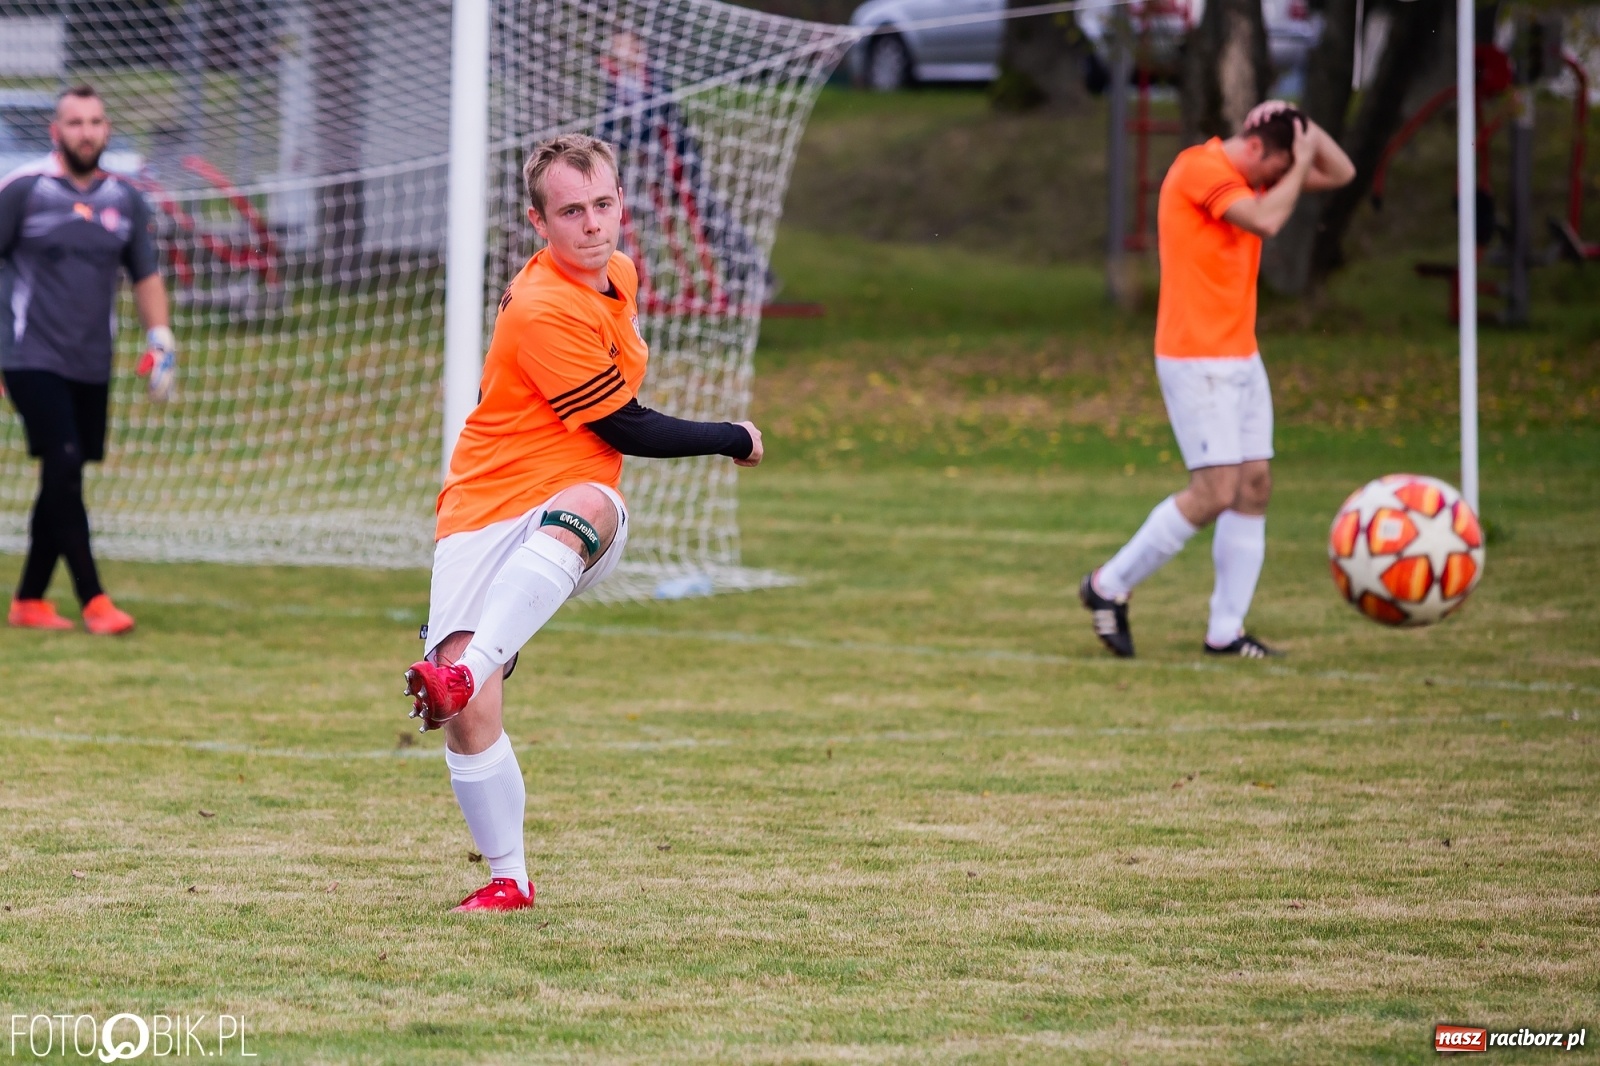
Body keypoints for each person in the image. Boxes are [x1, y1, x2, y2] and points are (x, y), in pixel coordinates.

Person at [403, 134, 764, 912]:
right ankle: (510, 881)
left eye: (603, 205)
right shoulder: (539, 307)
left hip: (568, 501)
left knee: (594, 503)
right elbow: (627, 427)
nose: (592, 224)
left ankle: (469, 665)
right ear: (539, 223)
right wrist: (732, 436)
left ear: (621, 204)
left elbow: (607, 445)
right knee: (469, 719)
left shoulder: (619, 274)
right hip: (479, 504)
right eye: (571, 211)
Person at [1080, 103, 1354, 659]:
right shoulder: (1199, 169)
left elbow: (1343, 173)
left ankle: (1225, 631)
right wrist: (1298, 162)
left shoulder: (1262, 170)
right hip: (1194, 359)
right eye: (1276, 168)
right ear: (1254, 149)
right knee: (1214, 493)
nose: (1281, 179)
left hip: (1241, 356)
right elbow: (1267, 221)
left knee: (1254, 487)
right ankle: (1106, 586)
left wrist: (1304, 126)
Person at [0, 85, 176, 636]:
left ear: (106, 130)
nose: (86, 131)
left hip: (90, 362)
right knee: (65, 462)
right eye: (74, 122)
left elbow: (145, 274)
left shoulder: (124, 199)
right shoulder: (25, 191)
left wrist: (161, 340)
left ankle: (29, 599)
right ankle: (93, 598)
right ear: (56, 131)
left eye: (96, 121)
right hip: (28, 354)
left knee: (64, 472)